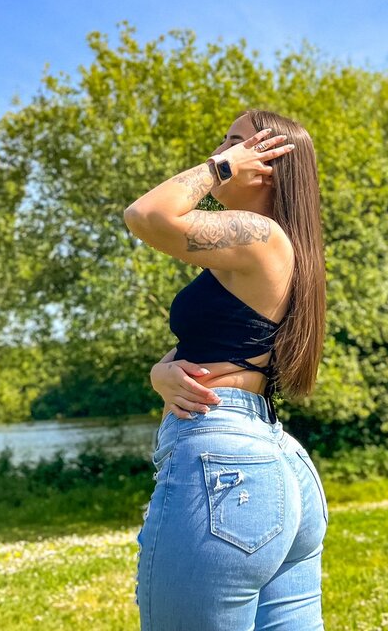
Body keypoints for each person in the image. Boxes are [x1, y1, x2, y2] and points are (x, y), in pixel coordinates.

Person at [124, 107, 329, 631]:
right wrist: (161, 373)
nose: (221, 151)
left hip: (225, 464)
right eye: (225, 144)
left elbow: (146, 215)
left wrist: (219, 167)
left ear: (268, 165)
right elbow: (228, 345)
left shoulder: (260, 235)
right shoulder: (275, 247)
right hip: (274, 460)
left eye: (238, 142)